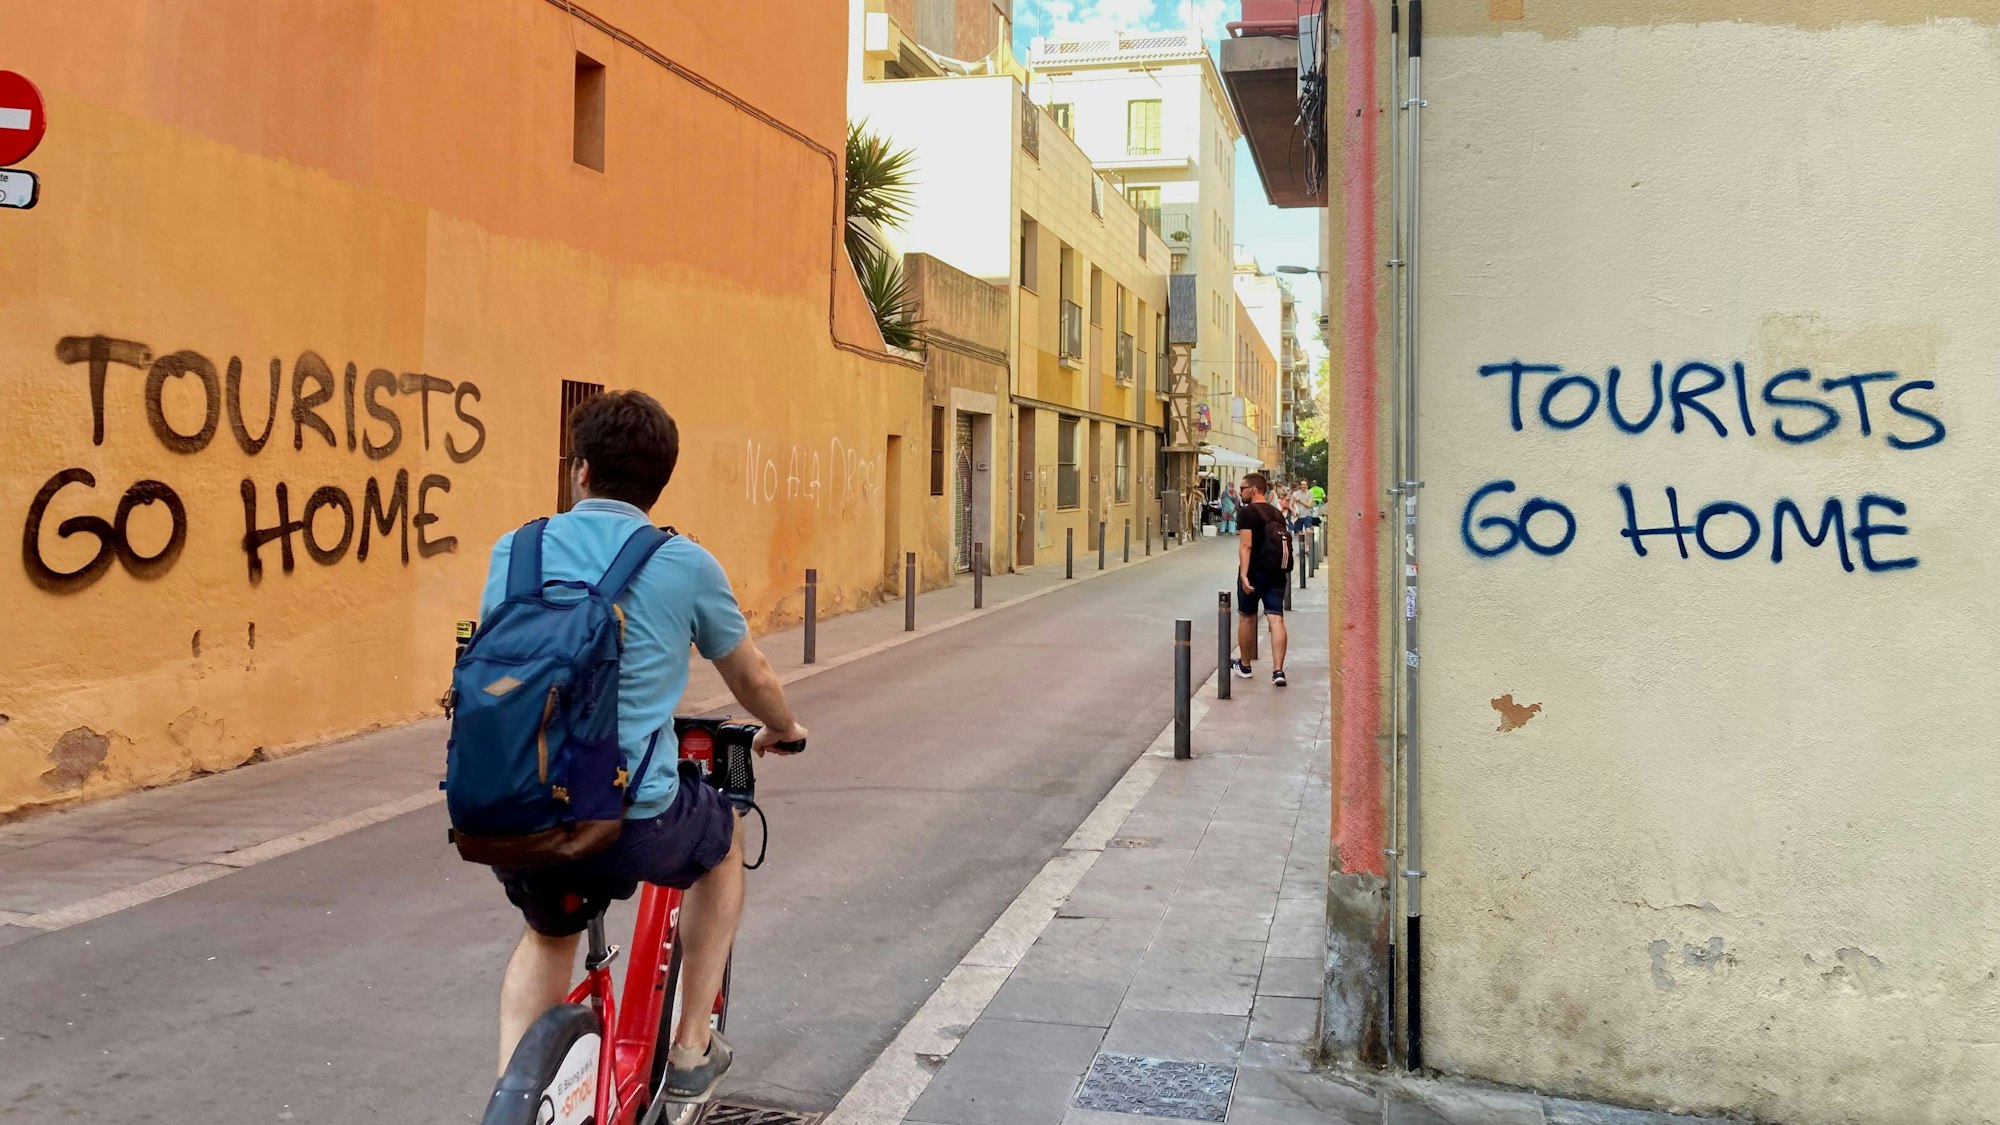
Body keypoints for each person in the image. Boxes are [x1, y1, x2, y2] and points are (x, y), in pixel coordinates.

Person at [479, 389, 809, 1101]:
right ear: (659, 483)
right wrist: (782, 728)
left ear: (581, 471)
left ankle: (513, 1100)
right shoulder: (682, 562)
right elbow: (751, 674)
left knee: (546, 933)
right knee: (719, 844)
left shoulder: (518, 549)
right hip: (629, 814)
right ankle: (691, 1046)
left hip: (519, 807)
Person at [1232, 473, 1290, 687]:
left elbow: (1246, 545)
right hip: (1276, 572)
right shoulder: (1277, 513)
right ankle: (1278, 671)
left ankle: (1245, 666)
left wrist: (1244, 574)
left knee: (1247, 616)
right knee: (1276, 618)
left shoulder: (1247, 513)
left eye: (1243, 487)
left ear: (1253, 489)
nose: (1240, 491)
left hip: (1255, 571)